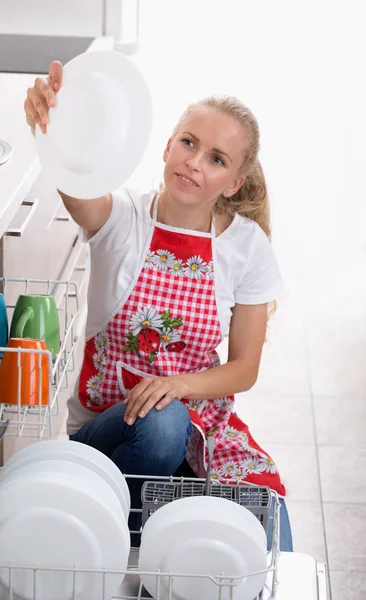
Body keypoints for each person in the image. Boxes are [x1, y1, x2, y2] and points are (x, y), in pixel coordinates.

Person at [24, 61, 293, 551]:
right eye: (188, 143)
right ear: (168, 146)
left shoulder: (245, 247)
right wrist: (51, 122)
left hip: (198, 424)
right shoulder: (122, 217)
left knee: (269, 521)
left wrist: (178, 385)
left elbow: (244, 368)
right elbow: (75, 184)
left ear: (234, 183)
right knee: (163, 424)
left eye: (216, 159)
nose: (194, 162)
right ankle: (108, 532)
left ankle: (159, 518)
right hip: (108, 437)